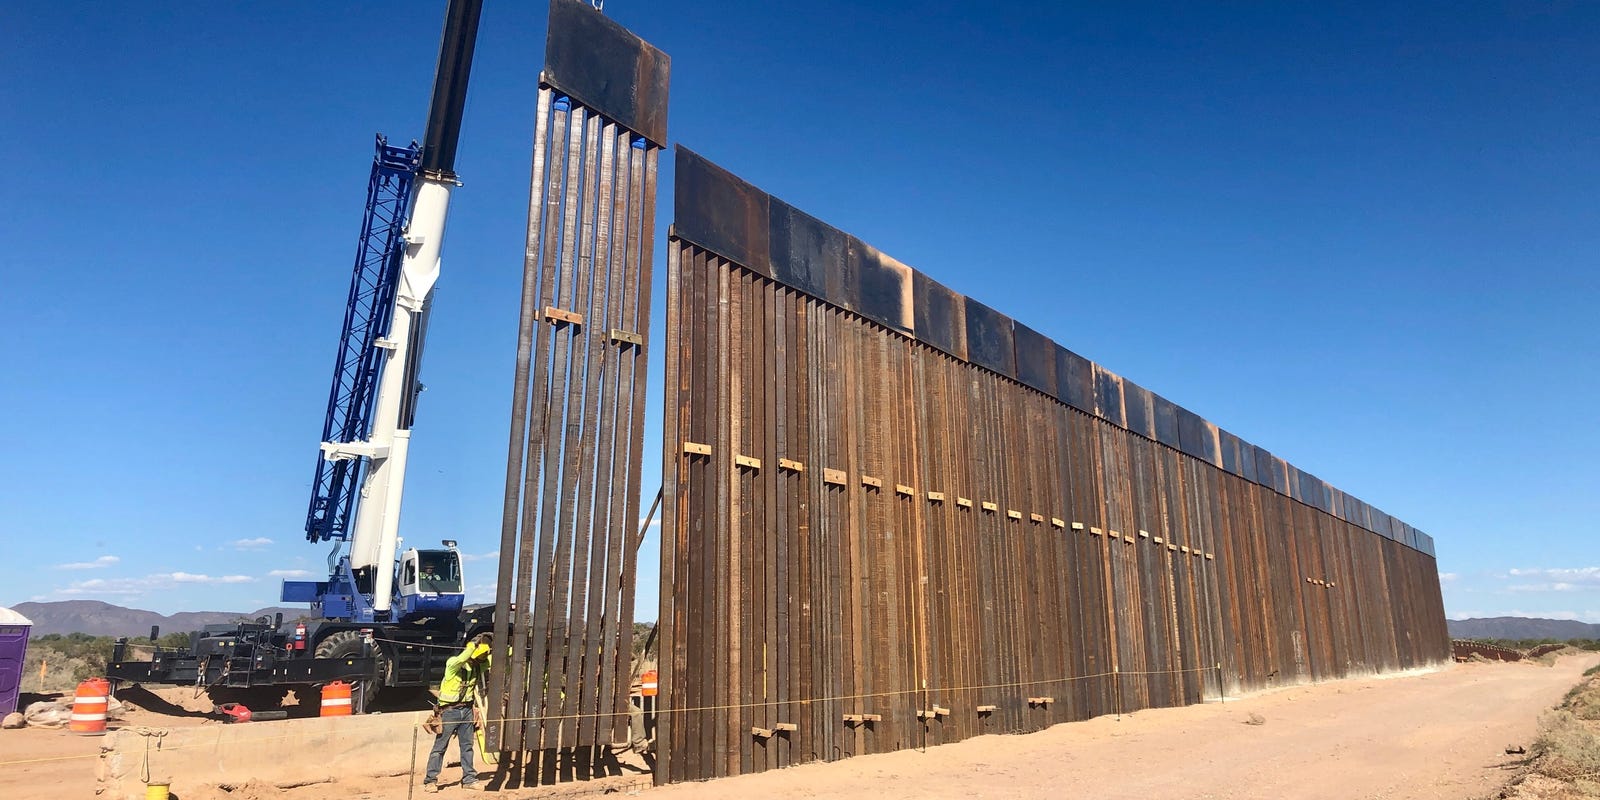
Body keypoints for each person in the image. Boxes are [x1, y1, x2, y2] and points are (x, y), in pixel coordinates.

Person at [424, 634, 491, 792]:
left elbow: (490, 661)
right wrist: (472, 645)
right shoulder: (453, 664)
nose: (479, 662)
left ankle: (469, 779)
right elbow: (463, 659)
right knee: (440, 747)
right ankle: (430, 781)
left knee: (467, 747)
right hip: (449, 712)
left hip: (466, 711)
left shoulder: (476, 667)